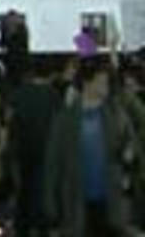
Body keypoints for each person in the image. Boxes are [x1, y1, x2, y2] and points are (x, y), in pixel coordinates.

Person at [44, 56, 138, 236]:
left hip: (111, 198)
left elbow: (130, 144)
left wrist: (128, 155)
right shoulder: (65, 120)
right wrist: (51, 205)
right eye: (102, 81)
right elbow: (53, 162)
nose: (106, 85)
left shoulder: (116, 114)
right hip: (77, 199)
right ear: (88, 82)